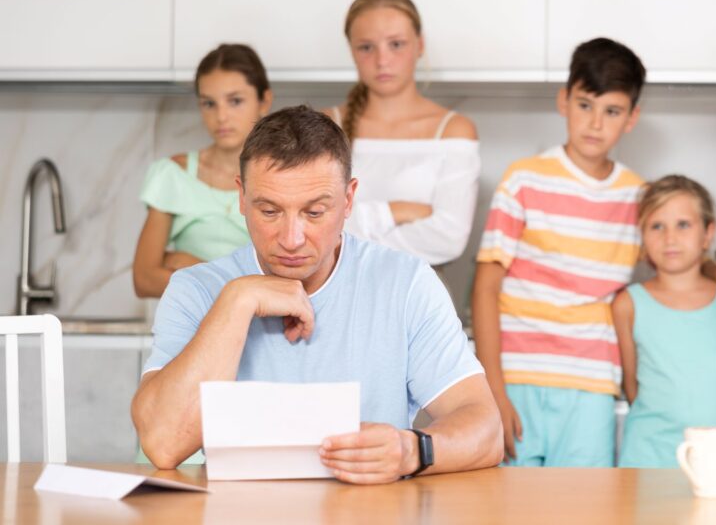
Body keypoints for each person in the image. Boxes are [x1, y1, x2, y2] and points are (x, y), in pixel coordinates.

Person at [131, 105, 502, 483]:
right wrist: (237, 301)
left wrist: (412, 450)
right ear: (241, 197)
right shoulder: (196, 290)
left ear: (348, 200)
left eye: (314, 212)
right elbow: (163, 443)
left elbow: (486, 430)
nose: (291, 240)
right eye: (270, 211)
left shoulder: (406, 284)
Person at [472, 37, 716, 468]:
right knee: (513, 507)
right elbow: (485, 288)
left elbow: (682, 261)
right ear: (563, 101)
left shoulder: (637, 198)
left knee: (584, 508)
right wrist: (492, 391)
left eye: (612, 111)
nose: (595, 123)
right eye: (585, 105)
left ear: (632, 118)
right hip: (517, 377)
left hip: (592, 385)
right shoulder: (523, 181)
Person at [323, 0, 480, 265]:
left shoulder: (454, 130)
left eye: (396, 44)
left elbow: (449, 238)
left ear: (419, 45)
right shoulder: (324, 125)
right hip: (330, 298)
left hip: (421, 301)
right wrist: (394, 211)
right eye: (367, 47)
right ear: (352, 51)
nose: (382, 60)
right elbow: (310, 225)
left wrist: (346, 238)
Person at [613, 175, 716, 469]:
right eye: (657, 226)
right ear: (642, 235)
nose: (670, 238)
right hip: (649, 457)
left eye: (683, 225)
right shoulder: (628, 304)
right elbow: (632, 387)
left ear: (708, 233)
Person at [133, 44, 273, 298]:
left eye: (235, 101)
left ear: (264, 101)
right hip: (191, 328)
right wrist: (244, 286)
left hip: (263, 330)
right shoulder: (173, 175)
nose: (221, 116)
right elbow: (144, 280)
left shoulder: (284, 178)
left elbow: (288, 279)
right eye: (209, 103)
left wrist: (195, 267)